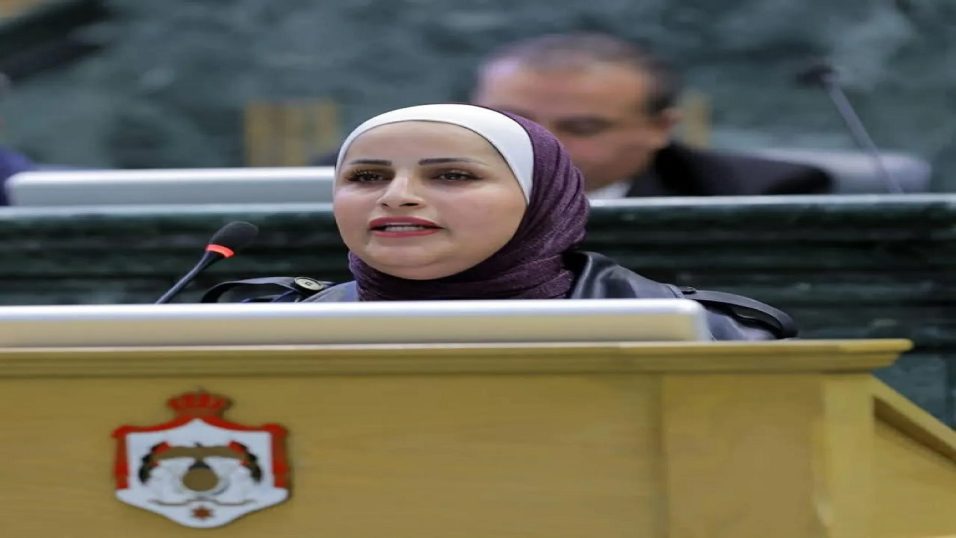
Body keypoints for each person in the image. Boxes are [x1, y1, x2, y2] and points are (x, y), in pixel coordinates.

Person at [221, 103, 795, 341]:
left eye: (451, 176)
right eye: (367, 177)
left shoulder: (707, 333)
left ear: (542, 200)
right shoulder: (258, 331)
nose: (398, 197)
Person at [470, 33, 832, 197]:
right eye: (511, 120)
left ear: (660, 128)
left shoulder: (752, 196)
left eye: (582, 127)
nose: (539, 143)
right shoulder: (435, 187)